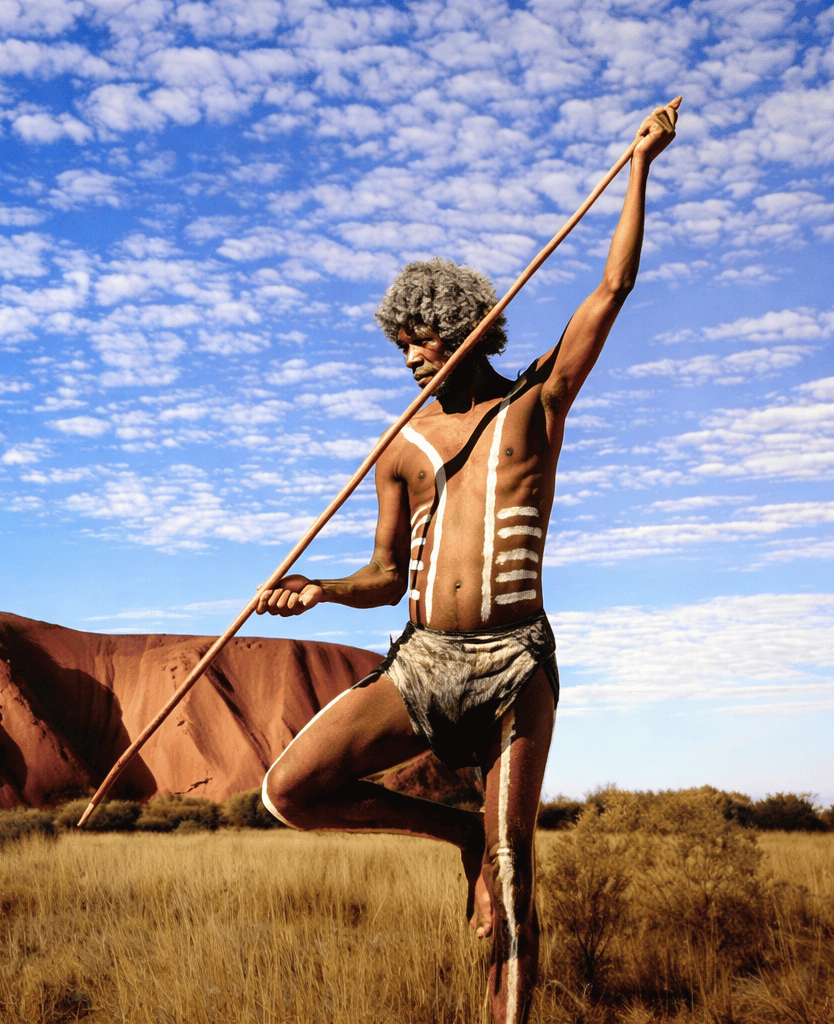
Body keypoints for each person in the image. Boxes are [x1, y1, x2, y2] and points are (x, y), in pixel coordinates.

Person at [253, 98, 679, 1024]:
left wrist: (640, 164)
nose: (409, 356)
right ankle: (455, 831)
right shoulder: (400, 447)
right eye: (400, 343)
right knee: (289, 791)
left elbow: (611, 290)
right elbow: (383, 579)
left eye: (423, 337)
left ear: (468, 327)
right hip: (422, 663)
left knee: (512, 890)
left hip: (514, 663)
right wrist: (318, 592)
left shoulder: (535, 406)